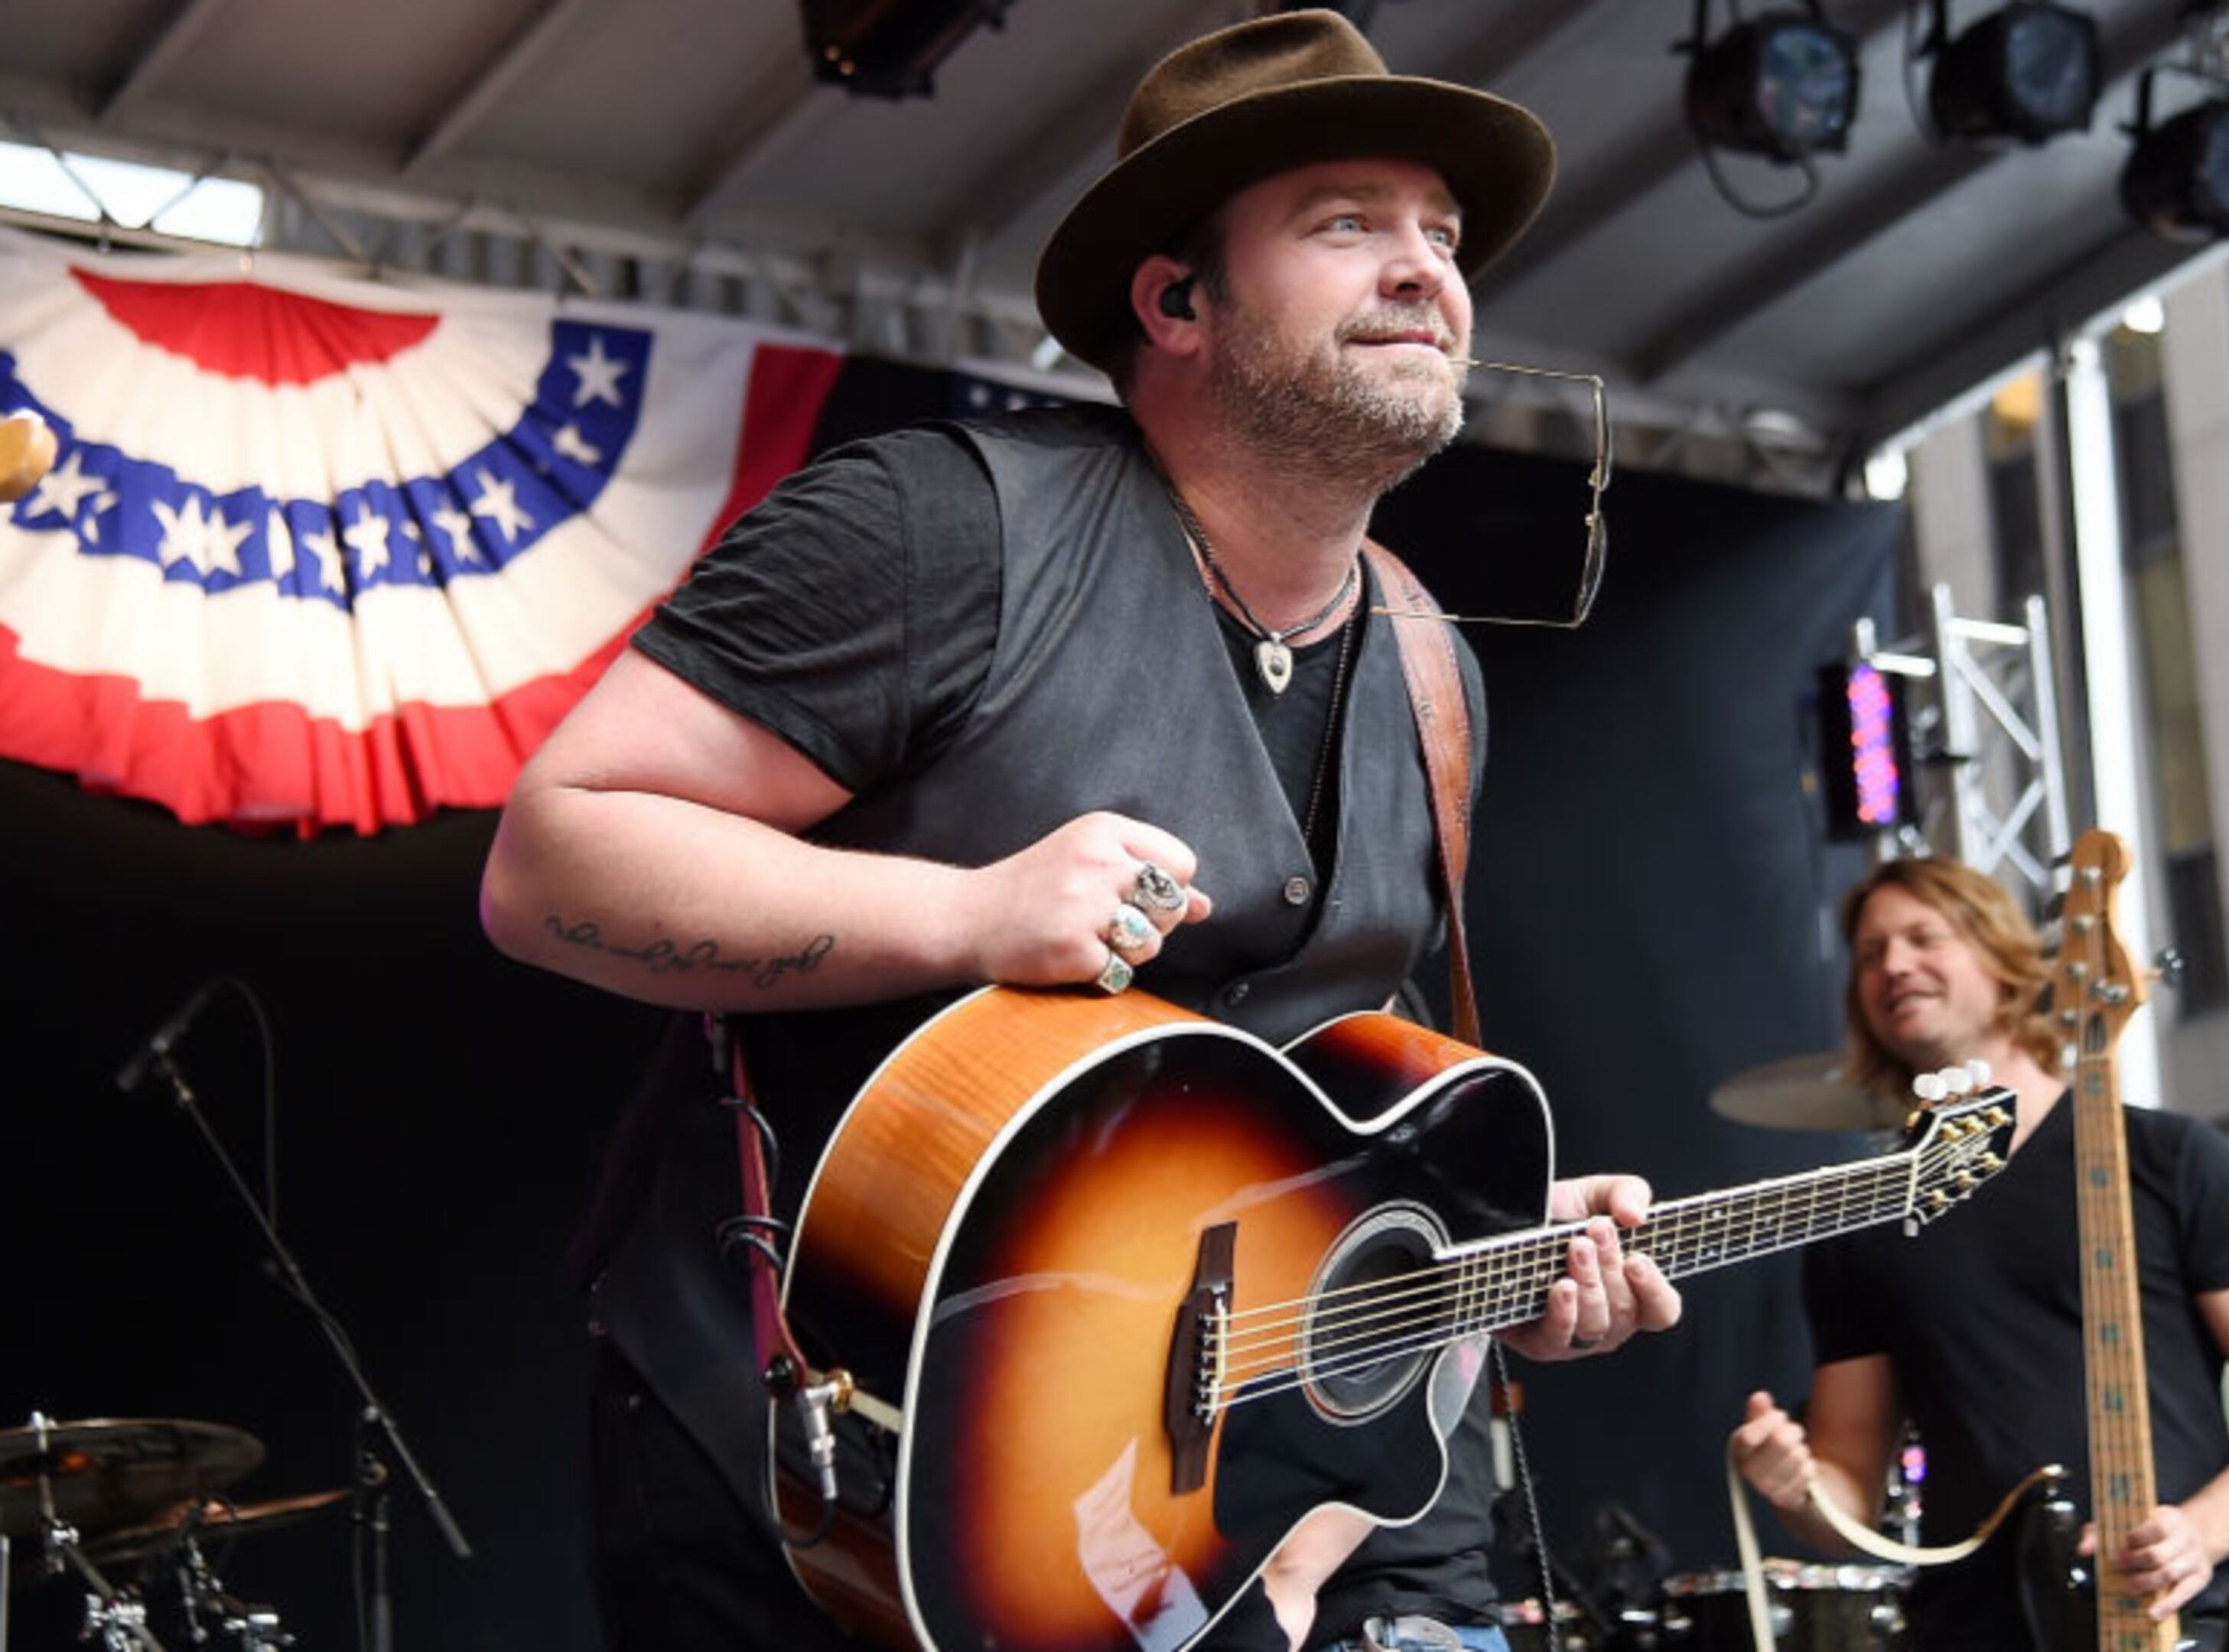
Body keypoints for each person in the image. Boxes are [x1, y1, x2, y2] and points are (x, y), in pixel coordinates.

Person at [478, 14, 1680, 1650]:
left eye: (1443, 237)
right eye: (1347, 223)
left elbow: (1333, 1124)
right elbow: (553, 857)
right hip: (814, 1463)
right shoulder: (935, 528)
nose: (1426, 273)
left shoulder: (1432, 669)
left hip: (1166, 1506)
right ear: (1174, 301)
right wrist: (965, 915)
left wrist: (1485, 1264)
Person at [1727, 857, 2229, 1648]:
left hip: (2175, 1621)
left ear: (2003, 958)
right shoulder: (1863, 1215)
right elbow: (1848, 1488)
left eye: (1924, 937)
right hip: (1972, 1631)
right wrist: (1798, 1489)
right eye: (1871, 954)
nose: (1894, 965)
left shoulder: (2172, 1160)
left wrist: (2202, 1531)